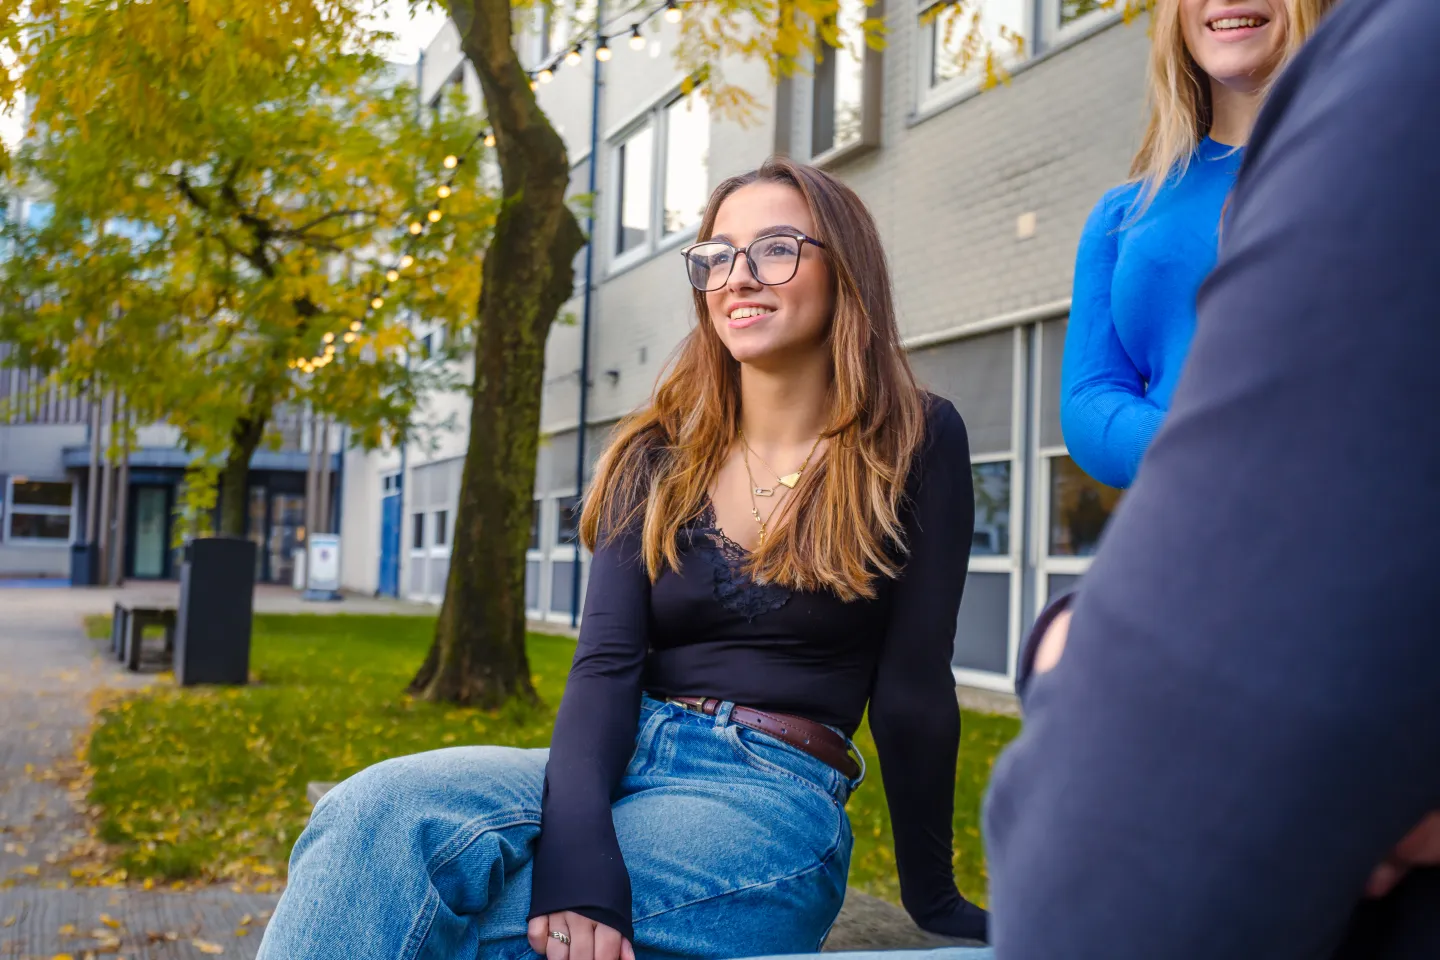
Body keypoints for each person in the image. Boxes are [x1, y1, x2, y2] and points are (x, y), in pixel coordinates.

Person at [736, 0, 1440, 958]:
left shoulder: (1380, 150)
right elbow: (1091, 409)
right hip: (1191, 555)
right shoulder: (1130, 210)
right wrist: (1230, 456)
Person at [256, 157, 988, 960]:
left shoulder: (912, 439)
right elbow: (604, 663)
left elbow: (916, 690)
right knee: (371, 811)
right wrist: (579, 845)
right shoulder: (655, 449)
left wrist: (935, 897)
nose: (738, 277)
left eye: (776, 249)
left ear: (843, 266)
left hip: (769, 795)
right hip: (622, 754)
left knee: (473, 935)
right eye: (716, 257)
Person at [1061, 0, 1336, 489]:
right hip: (1187, 535)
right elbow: (1090, 396)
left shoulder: (1381, 168)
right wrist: (1197, 452)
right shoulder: (1124, 213)